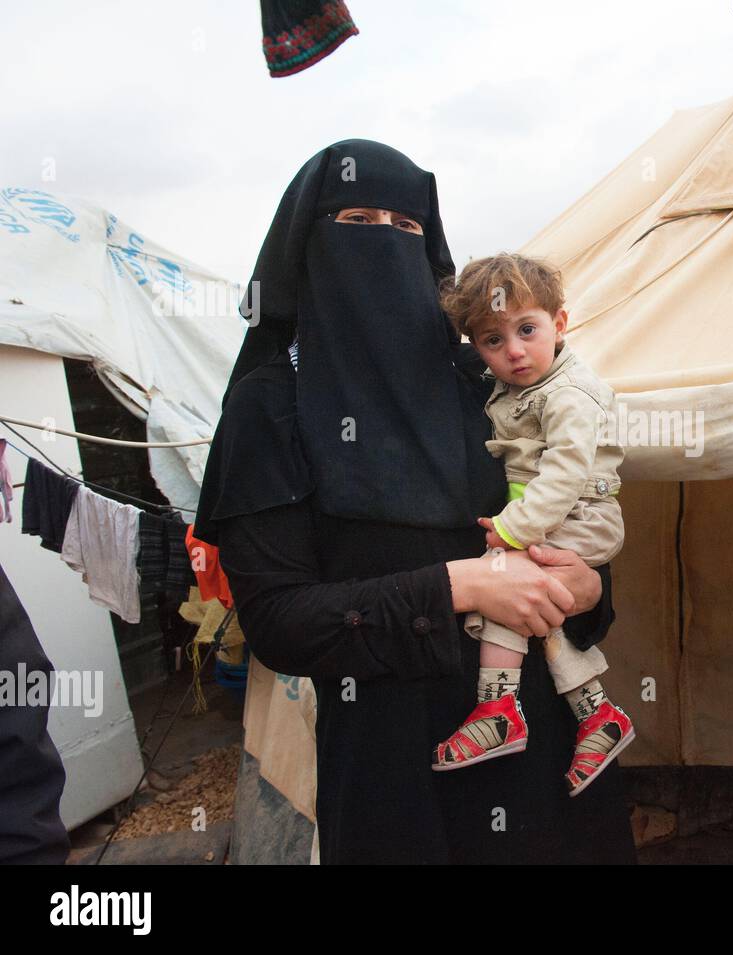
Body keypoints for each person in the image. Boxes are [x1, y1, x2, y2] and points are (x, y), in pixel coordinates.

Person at [192, 140, 636, 864]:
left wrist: (589, 585)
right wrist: (462, 584)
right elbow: (278, 622)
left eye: (407, 230)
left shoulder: (486, 385)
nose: (385, 245)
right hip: (394, 771)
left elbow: (568, 514)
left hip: (544, 748)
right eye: (358, 221)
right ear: (307, 243)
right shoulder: (271, 407)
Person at [432, 254, 635, 796]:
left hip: (579, 514)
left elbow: (565, 474)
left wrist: (514, 531)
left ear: (559, 324)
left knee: (502, 580)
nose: (514, 351)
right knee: (538, 611)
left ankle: (497, 709)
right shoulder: (514, 388)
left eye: (527, 329)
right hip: (554, 513)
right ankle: (598, 716)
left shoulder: (569, 393)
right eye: (492, 341)